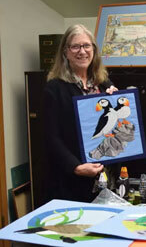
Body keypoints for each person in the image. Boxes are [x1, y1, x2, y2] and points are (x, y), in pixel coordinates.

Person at [43, 24, 118, 203]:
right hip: (72, 180)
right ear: (66, 52)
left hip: (104, 174)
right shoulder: (55, 88)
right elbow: (51, 137)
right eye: (75, 46)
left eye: (86, 45)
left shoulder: (103, 83)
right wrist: (76, 167)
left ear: (93, 49)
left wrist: (116, 99)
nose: (82, 51)